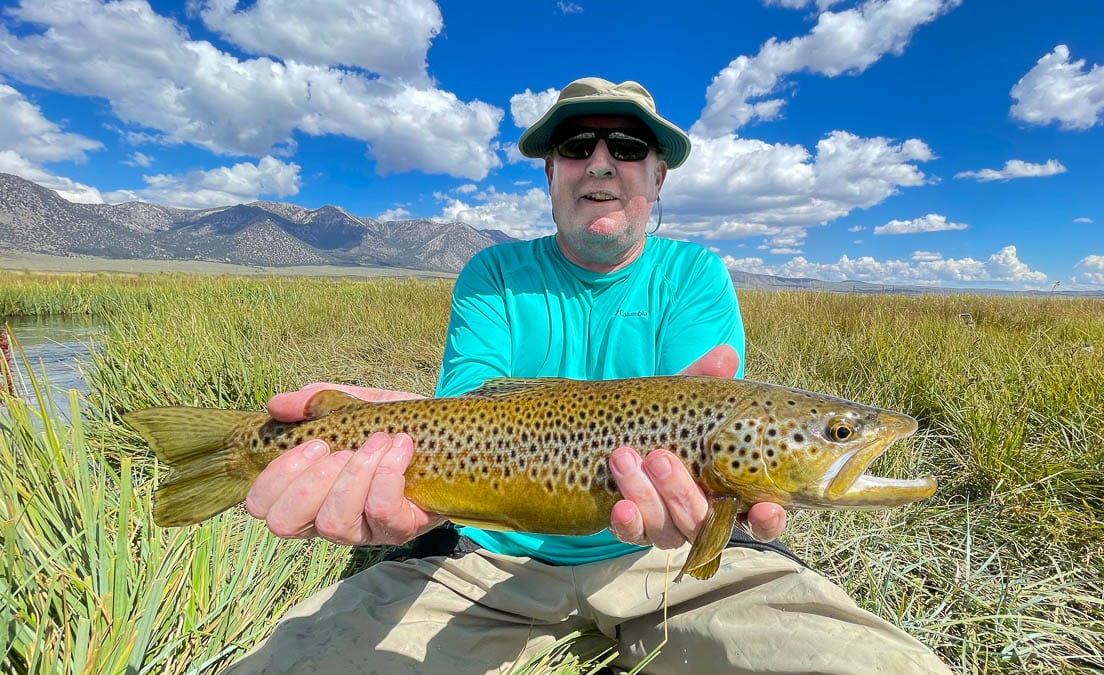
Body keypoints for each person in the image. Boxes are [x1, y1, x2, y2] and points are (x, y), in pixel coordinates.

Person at [224, 77, 951, 674]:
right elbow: (462, 414)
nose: (601, 161)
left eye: (628, 146)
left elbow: (695, 473)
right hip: (488, 564)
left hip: (668, 562)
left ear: (657, 175)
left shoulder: (695, 274)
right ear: (552, 171)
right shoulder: (493, 274)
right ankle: (227, 458)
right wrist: (369, 433)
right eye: (578, 146)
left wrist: (701, 511)